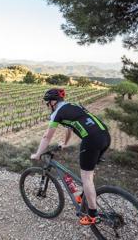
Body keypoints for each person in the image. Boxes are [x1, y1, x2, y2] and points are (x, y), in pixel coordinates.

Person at [30, 88, 111, 225]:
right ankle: (84, 196)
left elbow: (47, 137)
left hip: (91, 139)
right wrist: (65, 143)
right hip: (105, 136)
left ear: (53, 102)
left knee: (86, 178)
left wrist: (38, 154)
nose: (47, 105)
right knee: (89, 173)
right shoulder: (73, 106)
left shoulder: (57, 113)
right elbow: (70, 127)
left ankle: (92, 215)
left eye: (47, 103)